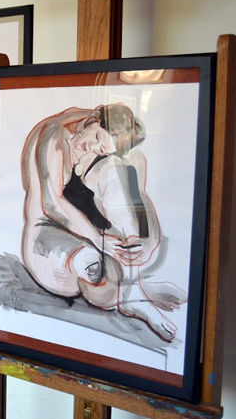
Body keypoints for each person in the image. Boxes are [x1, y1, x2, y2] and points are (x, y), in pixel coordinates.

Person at [20, 103, 185, 341]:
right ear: (93, 120)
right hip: (47, 241)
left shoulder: (94, 137)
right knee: (92, 265)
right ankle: (130, 295)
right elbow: (51, 203)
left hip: (87, 233)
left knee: (120, 168)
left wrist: (131, 237)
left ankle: (135, 285)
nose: (92, 147)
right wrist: (98, 239)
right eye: (97, 137)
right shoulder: (55, 135)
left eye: (102, 149)